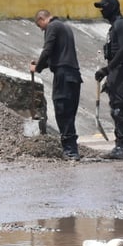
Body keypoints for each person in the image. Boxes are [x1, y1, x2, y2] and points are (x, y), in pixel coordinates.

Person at [30, 9, 82, 160]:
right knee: (69, 113)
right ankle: (72, 149)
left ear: (42, 19)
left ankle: (70, 151)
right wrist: (40, 65)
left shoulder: (52, 27)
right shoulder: (65, 27)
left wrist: (37, 67)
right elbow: (55, 56)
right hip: (73, 75)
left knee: (62, 111)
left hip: (63, 76)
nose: (41, 29)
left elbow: (48, 50)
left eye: (40, 26)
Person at [95, 0, 123, 159]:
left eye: (104, 7)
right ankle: (121, 145)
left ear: (113, 7)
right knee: (117, 109)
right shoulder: (114, 26)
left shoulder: (121, 24)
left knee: (120, 109)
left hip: (122, 72)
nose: (102, 11)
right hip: (117, 74)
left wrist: (107, 70)